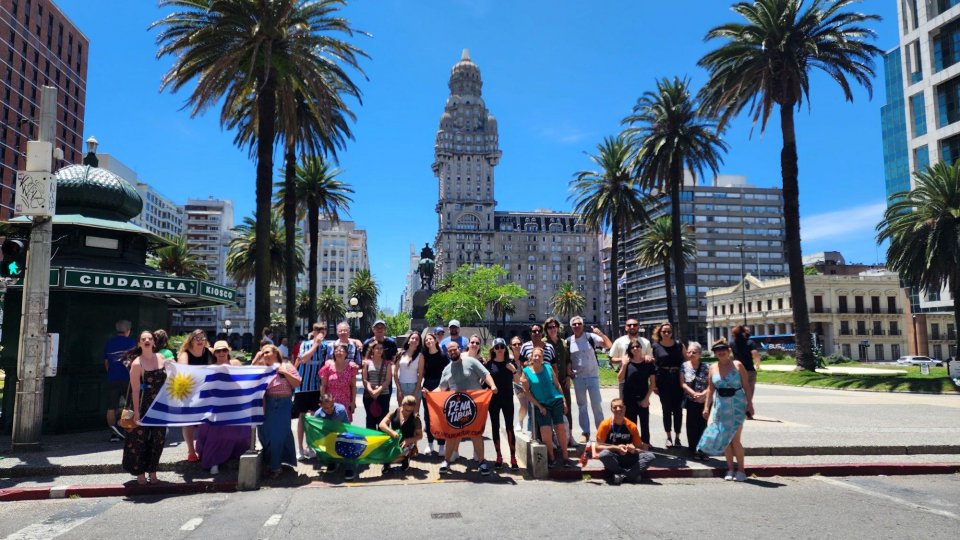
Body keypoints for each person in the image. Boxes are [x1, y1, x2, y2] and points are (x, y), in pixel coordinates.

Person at [428, 341, 497, 476]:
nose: (452, 352)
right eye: (450, 351)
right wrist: (429, 394)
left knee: (476, 433)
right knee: (452, 434)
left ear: (459, 349)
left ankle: (482, 462)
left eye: (454, 349)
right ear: (448, 353)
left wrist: (492, 385)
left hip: (474, 405)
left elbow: (486, 374)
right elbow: (442, 388)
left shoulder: (471, 361)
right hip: (456, 407)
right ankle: (446, 461)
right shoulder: (447, 369)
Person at [698, 338, 754, 482]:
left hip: (736, 405)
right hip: (721, 407)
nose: (721, 352)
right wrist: (706, 407)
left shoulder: (738, 365)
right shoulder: (712, 368)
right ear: (715, 353)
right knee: (725, 441)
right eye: (717, 350)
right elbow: (710, 389)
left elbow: (746, 386)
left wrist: (750, 404)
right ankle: (730, 469)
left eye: (723, 349)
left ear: (729, 351)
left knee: (735, 439)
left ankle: (741, 470)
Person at [122, 331, 172, 485]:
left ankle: (153, 471)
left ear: (154, 343)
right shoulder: (137, 363)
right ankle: (139, 473)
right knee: (139, 440)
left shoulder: (162, 358)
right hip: (143, 404)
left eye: (150, 338)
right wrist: (136, 411)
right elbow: (135, 390)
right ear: (139, 343)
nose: (147, 340)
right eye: (143, 339)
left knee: (159, 439)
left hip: (160, 405)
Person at [196, 341, 250, 475]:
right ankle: (214, 461)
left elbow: (245, 379)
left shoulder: (236, 364)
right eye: (218, 351)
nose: (221, 353)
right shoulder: (211, 367)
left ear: (228, 351)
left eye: (224, 350)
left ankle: (236, 457)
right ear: (214, 353)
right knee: (215, 435)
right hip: (217, 406)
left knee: (240, 434)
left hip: (235, 404)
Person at [253, 344, 301, 478]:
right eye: (262, 353)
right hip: (266, 404)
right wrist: (256, 360)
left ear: (275, 353)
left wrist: (284, 372)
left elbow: (297, 383)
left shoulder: (286, 366)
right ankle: (271, 462)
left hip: (283, 404)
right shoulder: (262, 369)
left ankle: (275, 467)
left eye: (267, 352)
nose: (264, 355)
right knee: (265, 434)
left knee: (278, 436)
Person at [520, 347, 570, 468]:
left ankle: (565, 456)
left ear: (542, 358)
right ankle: (551, 457)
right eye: (535, 356)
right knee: (545, 431)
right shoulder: (526, 371)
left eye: (539, 356)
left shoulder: (548, 368)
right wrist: (539, 406)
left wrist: (564, 400)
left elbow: (557, 385)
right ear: (531, 357)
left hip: (555, 400)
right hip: (541, 404)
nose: (537, 358)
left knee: (560, 428)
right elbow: (526, 393)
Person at [567, 316, 612, 442]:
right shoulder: (569, 341)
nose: (577, 326)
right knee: (582, 406)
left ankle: (601, 432)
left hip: (592, 377)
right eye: (574, 324)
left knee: (596, 404)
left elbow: (609, 345)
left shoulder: (591, 337)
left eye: (579, 323)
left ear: (583, 324)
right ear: (571, 327)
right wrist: (569, 371)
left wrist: (601, 333)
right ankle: (585, 432)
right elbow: (568, 360)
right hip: (578, 378)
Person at [593, 398, 655, 485]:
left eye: (620, 407)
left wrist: (633, 449)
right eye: (615, 407)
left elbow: (639, 448)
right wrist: (615, 448)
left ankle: (621, 475)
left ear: (625, 408)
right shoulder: (605, 424)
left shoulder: (631, 426)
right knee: (604, 455)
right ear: (611, 409)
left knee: (650, 456)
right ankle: (631, 475)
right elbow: (597, 447)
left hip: (629, 458)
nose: (618, 409)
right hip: (614, 458)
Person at [177, 329, 213, 462]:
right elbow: (183, 370)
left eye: (202, 338)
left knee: (205, 420)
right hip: (188, 391)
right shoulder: (185, 354)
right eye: (196, 338)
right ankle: (191, 451)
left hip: (204, 391)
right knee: (189, 421)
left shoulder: (209, 353)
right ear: (190, 341)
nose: (199, 340)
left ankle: (204, 447)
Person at [294, 323, 328, 461]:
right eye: (317, 330)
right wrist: (315, 344)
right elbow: (303, 359)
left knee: (314, 418)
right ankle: (300, 448)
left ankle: (311, 446)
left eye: (322, 330)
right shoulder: (305, 344)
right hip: (302, 387)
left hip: (316, 387)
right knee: (302, 417)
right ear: (312, 332)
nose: (320, 332)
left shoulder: (326, 347)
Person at [484, 337, 519, 469]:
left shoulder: (510, 363)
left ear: (505, 348)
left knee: (510, 426)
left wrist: (513, 370)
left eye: (502, 347)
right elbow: (482, 381)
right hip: (493, 400)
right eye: (497, 347)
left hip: (508, 398)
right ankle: (499, 455)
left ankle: (513, 457)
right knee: (495, 426)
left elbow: (517, 381)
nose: (499, 349)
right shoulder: (488, 365)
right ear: (493, 349)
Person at [652, 322, 685, 449]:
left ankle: (677, 437)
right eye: (664, 331)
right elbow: (653, 366)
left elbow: (686, 362)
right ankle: (669, 437)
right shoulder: (655, 346)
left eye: (669, 331)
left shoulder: (679, 345)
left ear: (672, 332)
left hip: (677, 379)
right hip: (663, 379)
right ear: (660, 333)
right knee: (666, 410)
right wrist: (654, 384)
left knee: (678, 410)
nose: (666, 333)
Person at [618, 338, 656, 445]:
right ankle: (633, 443)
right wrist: (624, 364)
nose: (635, 349)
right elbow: (620, 378)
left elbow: (652, 383)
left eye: (637, 346)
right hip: (629, 399)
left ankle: (646, 444)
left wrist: (646, 399)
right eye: (632, 347)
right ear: (629, 349)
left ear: (641, 348)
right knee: (631, 423)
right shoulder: (626, 362)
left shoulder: (648, 363)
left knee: (645, 424)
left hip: (643, 398)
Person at [104, 319, 135, 442]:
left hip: (112, 378)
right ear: (128, 331)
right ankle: (123, 428)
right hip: (127, 378)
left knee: (111, 407)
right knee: (130, 405)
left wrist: (111, 373)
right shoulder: (132, 342)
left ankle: (114, 433)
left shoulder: (109, 342)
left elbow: (106, 362)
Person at [543, 318, 574, 437]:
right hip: (549, 382)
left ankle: (569, 436)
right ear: (546, 330)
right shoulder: (544, 343)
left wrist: (568, 376)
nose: (552, 329)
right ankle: (553, 437)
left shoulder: (564, 342)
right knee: (551, 409)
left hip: (563, 380)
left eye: (554, 326)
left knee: (567, 407)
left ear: (558, 328)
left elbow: (568, 360)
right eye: (549, 327)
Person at [378, 395, 423, 474]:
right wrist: (391, 432)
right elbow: (382, 424)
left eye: (410, 411)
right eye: (406, 410)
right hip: (393, 439)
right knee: (382, 450)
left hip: (408, 443)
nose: (408, 413)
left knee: (396, 454)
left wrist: (409, 440)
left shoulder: (416, 418)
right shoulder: (395, 411)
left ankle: (405, 459)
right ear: (402, 405)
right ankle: (387, 463)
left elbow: (420, 436)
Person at [420, 332, 448, 456]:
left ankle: (441, 444)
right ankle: (430, 443)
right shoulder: (424, 355)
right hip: (427, 386)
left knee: (440, 416)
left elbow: (447, 373)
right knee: (428, 416)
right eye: (426, 340)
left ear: (435, 340)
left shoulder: (442, 355)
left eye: (430, 339)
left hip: (440, 386)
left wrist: (442, 388)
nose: (428, 341)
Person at [608, 319, 654, 393]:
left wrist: (648, 358)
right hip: (624, 379)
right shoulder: (619, 341)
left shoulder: (646, 342)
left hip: (641, 379)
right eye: (629, 325)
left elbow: (651, 358)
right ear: (626, 327)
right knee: (624, 403)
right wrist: (623, 359)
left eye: (635, 325)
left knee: (642, 403)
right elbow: (611, 359)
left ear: (638, 327)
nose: (632, 327)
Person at [681, 341, 710, 459]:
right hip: (691, 400)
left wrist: (703, 393)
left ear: (700, 354)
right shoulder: (684, 366)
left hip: (704, 400)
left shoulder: (706, 367)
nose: (691, 354)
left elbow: (711, 384)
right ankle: (693, 449)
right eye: (689, 352)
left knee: (703, 425)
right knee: (692, 425)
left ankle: (702, 449)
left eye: (694, 352)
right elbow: (682, 383)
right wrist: (693, 393)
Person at [314, 392, 353, 477]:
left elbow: (347, 427)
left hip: (341, 434)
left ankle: (349, 468)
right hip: (327, 436)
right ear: (320, 405)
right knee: (323, 444)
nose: (329, 409)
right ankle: (331, 462)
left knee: (346, 442)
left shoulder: (341, 410)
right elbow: (316, 430)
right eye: (326, 408)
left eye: (331, 406)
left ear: (334, 401)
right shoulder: (317, 415)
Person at [319, 343, 359, 422]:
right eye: (336, 351)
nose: (338, 352)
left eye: (341, 351)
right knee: (330, 426)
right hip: (330, 402)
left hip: (346, 401)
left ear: (346, 353)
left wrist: (353, 402)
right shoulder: (328, 365)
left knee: (344, 428)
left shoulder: (351, 367)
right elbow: (323, 385)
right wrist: (323, 401)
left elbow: (353, 386)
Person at [362, 341, 393, 430]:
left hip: (383, 394)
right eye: (377, 348)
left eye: (381, 348)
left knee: (383, 419)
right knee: (370, 419)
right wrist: (371, 391)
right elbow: (365, 379)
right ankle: (371, 441)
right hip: (369, 395)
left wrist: (377, 391)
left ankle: (382, 442)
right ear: (372, 350)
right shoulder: (367, 363)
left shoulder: (387, 363)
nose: (379, 350)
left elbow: (388, 380)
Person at [731, 325, 761, 416]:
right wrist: (757, 364)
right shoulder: (750, 342)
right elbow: (755, 354)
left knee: (737, 390)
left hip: (737, 370)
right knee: (749, 390)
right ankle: (747, 409)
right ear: (743, 332)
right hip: (749, 369)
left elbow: (728, 354)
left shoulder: (732, 343)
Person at [395, 331, 424, 406]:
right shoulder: (400, 354)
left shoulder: (420, 356)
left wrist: (416, 391)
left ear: (419, 343)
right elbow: (395, 373)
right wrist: (399, 389)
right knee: (402, 413)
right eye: (412, 338)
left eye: (417, 339)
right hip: (402, 386)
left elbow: (420, 375)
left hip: (414, 386)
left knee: (415, 414)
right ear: (408, 340)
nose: (414, 340)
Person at [508, 337, 529, 432]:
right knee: (524, 405)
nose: (517, 346)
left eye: (519, 344)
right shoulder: (508, 359)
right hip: (516, 384)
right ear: (511, 346)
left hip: (528, 383)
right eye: (514, 344)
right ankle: (520, 422)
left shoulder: (527, 356)